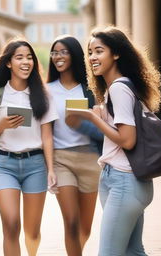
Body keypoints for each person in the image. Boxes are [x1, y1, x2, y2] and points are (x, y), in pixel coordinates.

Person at [66, 26, 161, 255]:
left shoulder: (119, 88)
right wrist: (102, 116)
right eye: (90, 52)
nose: (92, 58)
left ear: (116, 53)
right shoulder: (119, 87)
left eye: (99, 51)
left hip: (125, 180)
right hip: (124, 180)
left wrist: (91, 117)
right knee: (133, 251)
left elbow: (127, 141)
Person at [0, 38, 58, 256]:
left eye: (29, 57)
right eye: (20, 57)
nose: (26, 62)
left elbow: (47, 136)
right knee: (11, 226)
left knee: (32, 233)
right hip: (5, 165)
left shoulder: (43, 95)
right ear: (8, 63)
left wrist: (51, 169)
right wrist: (1, 126)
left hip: (35, 165)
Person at [47, 35, 103, 256]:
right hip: (62, 160)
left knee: (85, 228)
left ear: (74, 54)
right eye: (54, 53)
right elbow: (46, 133)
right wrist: (49, 167)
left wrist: (85, 120)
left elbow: (103, 129)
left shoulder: (91, 89)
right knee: (70, 222)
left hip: (90, 159)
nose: (58, 57)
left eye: (63, 52)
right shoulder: (46, 90)